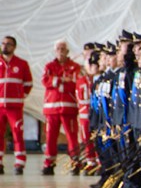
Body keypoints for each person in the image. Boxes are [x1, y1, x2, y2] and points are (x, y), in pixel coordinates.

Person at [41, 40, 82, 175]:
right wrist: (61, 80)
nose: (61, 51)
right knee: (50, 137)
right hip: (51, 108)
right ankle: (49, 164)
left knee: (72, 137)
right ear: (55, 50)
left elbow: (74, 83)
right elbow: (45, 81)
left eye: (63, 48)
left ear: (68, 51)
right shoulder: (49, 66)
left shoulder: (74, 66)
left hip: (68, 108)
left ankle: (75, 163)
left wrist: (56, 81)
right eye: (58, 48)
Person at [0, 35, 33, 175]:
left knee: (17, 134)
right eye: (3, 43)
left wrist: (20, 97)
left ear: (14, 47)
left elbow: (28, 84)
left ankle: (19, 163)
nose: (5, 46)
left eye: (8, 44)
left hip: (15, 107)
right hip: (0, 107)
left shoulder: (21, 64)